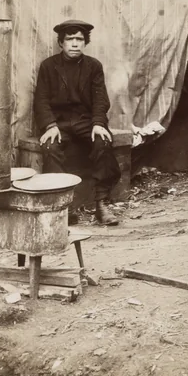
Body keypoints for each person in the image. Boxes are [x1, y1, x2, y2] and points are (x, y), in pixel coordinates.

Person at [34, 19, 121, 226]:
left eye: (80, 39)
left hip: (86, 121)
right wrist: (50, 125)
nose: (75, 44)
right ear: (61, 43)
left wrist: (99, 123)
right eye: (70, 39)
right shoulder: (48, 66)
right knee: (51, 147)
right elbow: (41, 100)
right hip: (59, 122)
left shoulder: (93, 66)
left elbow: (100, 99)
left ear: (85, 42)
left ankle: (101, 204)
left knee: (102, 142)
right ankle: (65, 208)